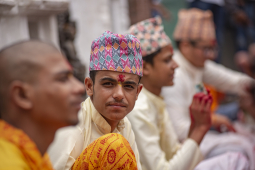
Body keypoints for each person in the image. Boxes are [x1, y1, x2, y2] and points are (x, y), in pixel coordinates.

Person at [162, 8, 255, 169]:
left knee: (246, 137)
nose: (211, 55)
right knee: (241, 147)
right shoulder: (175, 75)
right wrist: (212, 120)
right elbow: (180, 132)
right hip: (183, 145)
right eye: (206, 49)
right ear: (185, 45)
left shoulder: (197, 64)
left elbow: (232, 81)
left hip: (200, 127)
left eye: (213, 49)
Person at [48, 31, 143, 170]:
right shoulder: (73, 126)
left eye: (128, 86)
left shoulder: (124, 125)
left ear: (137, 92)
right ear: (89, 86)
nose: (118, 95)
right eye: (108, 84)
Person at [127, 16, 213, 170]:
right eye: (167, 60)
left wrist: (195, 126)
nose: (175, 65)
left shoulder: (156, 99)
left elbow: (175, 155)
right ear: (145, 68)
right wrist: (200, 129)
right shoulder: (139, 108)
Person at [0, 40, 85, 169]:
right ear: (22, 95)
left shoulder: (33, 155)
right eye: (63, 79)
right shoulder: (9, 164)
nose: (80, 87)